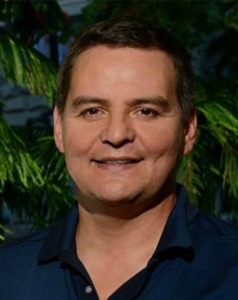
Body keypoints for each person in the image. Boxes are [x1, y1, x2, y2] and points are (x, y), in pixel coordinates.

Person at [1, 16, 238, 300]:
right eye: (92, 110)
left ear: (188, 130)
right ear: (59, 128)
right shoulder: (7, 274)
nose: (116, 134)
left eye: (146, 111)